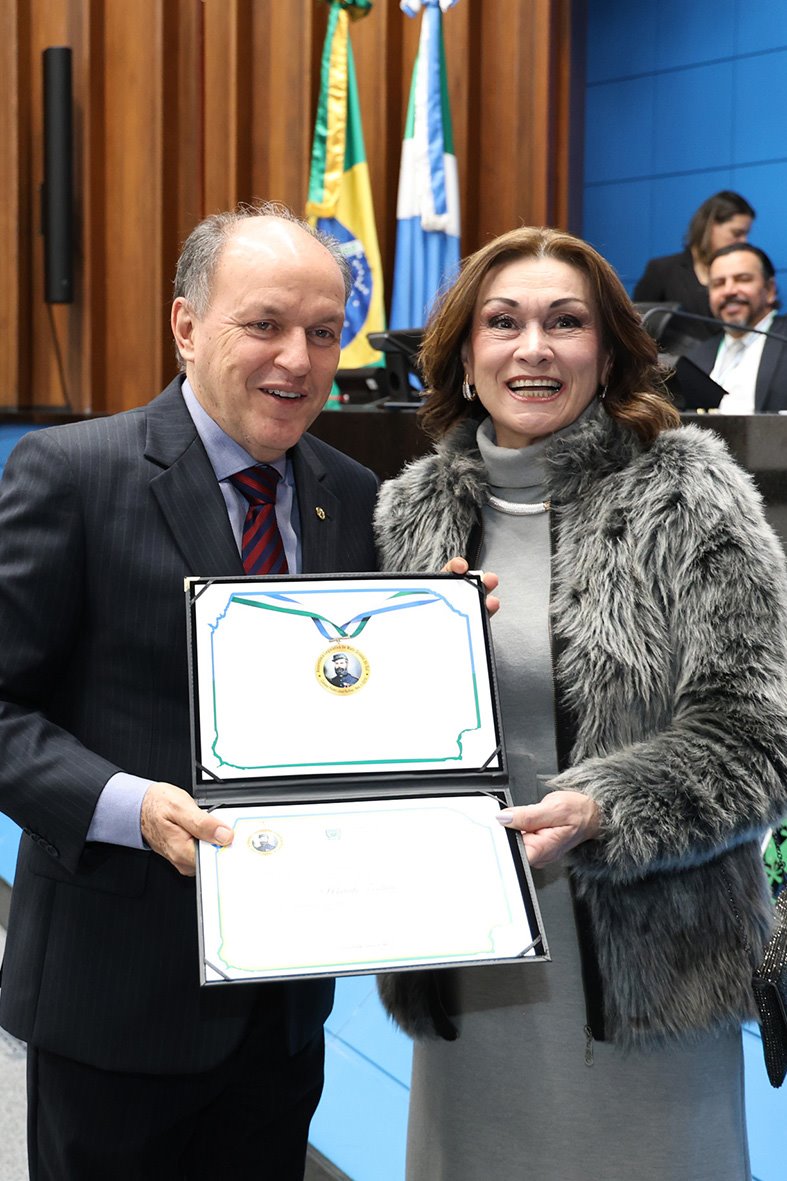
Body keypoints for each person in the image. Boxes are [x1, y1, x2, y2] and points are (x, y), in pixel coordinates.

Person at [374, 225, 787, 1181]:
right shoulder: (411, 511)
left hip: (651, 987)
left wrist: (606, 807)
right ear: (462, 354)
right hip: (466, 972)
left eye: (565, 322)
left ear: (606, 353)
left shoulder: (690, 496)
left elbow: (759, 735)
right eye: (502, 322)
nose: (533, 348)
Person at [0, 203, 382, 1180]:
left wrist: (439, 636)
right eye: (265, 324)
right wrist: (126, 805)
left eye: (324, 332)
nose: (298, 359)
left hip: (283, 1003)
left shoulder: (352, 494)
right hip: (115, 995)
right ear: (186, 325)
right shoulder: (72, 472)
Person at [633, 190, 755, 352]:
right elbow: (637, 326)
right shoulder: (662, 270)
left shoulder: (741, 272)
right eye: (737, 233)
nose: (743, 241)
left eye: (746, 234)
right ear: (710, 226)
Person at [686, 242, 787, 413]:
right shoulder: (696, 358)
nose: (729, 291)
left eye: (743, 279)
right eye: (718, 283)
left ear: (770, 290)